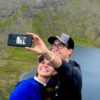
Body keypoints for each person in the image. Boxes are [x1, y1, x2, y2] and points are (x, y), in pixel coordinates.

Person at [25, 32, 82, 100]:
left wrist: (46, 53)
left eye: (61, 45)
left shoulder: (74, 72)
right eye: (54, 45)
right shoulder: (49, 70)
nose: (55, 48)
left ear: (70, 51)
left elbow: (66, 69)